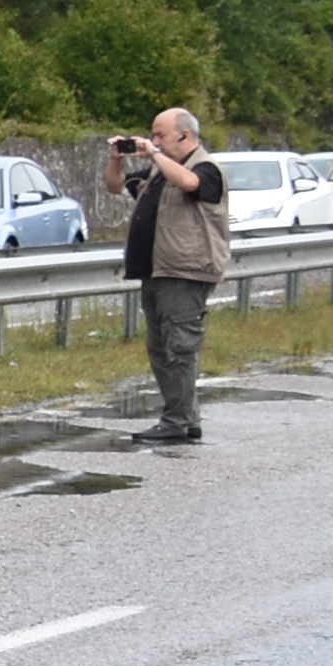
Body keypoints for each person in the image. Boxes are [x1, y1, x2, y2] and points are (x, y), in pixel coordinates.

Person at [110, 107, 232, 447]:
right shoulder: (159, 172)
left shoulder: (205, 169)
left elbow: (190, 184)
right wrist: (117, 159)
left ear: (185, 135)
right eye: (153, 135)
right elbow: (115, 186)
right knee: (161, 347)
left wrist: (156, 156)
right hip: (156, 269)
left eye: (160, 135)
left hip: (185, 270)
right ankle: (186, 419)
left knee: (180, 347)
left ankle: (176, 421)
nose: (154, 141)